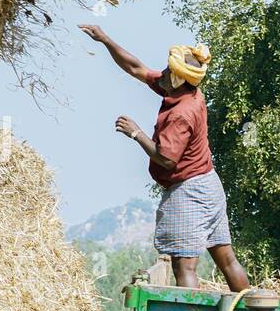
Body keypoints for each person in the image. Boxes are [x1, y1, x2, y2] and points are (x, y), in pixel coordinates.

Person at [78, 24, 250, 291]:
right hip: (209, 184)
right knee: (226, 259)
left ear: (179, 78)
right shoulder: (185, 89)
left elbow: (167, 160)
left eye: (169, 70)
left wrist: (135, 133)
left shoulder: (182, 113)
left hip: (190, 190)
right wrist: (105, 39)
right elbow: (136, 68)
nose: (165, 72)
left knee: (184, 265)